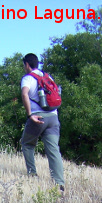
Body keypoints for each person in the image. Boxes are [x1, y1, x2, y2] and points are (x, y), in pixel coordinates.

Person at [20, 53, 64, 192]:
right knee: (53, 150)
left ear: (27, 64)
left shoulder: (27, 78)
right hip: (53, 116)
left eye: (24, 65)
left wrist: (29, 115)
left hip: (38, 117)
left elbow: (24, 94)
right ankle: (59, 183)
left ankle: (32, 174)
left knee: (27, 143)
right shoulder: (47, 76)